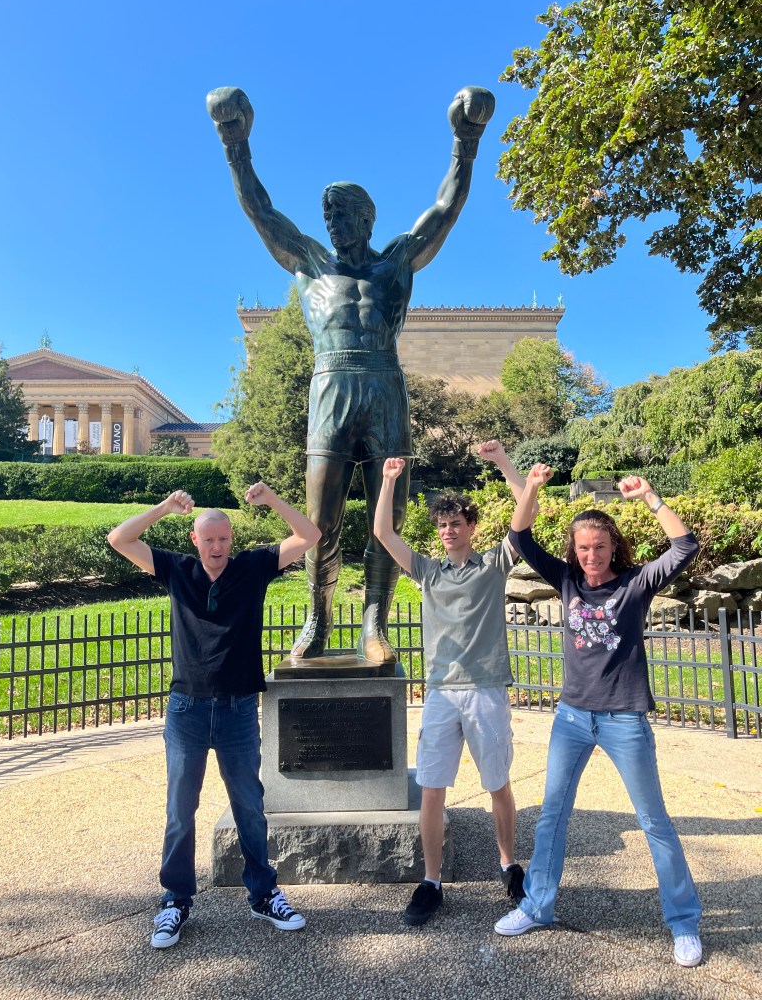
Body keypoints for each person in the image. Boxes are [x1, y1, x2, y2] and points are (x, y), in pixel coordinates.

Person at [206, 84, 495, 668]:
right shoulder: (311, 263)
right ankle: (318, 615)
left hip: (384, 385)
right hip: (330, 387)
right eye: (328, 216)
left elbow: (445, 209)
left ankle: (374, 624)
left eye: (343, 215)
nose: (334, 224)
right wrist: (236, 143)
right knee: (321, 519)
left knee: (388, 515)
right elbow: (261, 211)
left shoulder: (395, 264)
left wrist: (466, 142)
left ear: (368, 218)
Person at [494, 465, 703, 968]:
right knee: (551, 818)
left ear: (614, 548)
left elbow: (684, 548)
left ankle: (684, 922)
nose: (591, 556)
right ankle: (537, 904)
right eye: (583, 548)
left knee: (654, 821)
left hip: (624, 719)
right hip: (571, 718)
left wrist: (649, 495)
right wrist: (533, 487)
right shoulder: (565, 579)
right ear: (574, 550)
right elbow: (519, 536)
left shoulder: (634, 585)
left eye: (600, 547)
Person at [107, 484, 321, 948]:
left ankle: (263, 894)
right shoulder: (176, 570)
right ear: (195, 540)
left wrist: (274, 501)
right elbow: (119, 539)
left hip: (239, 708)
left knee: (250, 806)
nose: (217, 548)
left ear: (231, 539)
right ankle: (175, 901)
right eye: (208, 540)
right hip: (186, 707)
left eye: (223, 539)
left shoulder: (252, 567)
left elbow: (310, 535)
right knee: (180, 811)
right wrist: (162, 506)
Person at [374, 441, 530, 925]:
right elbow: (383, 532)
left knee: (498, 782)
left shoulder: (492, 564)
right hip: (441, 691)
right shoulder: (427, 571)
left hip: (485, 688)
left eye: (455, 525)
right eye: (441, 526)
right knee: (432, 789)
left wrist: (504, 462)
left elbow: (525, 512)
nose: (447, 532)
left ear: (471, 527)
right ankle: (432, 881)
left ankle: (508, 864)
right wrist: (389, 480)